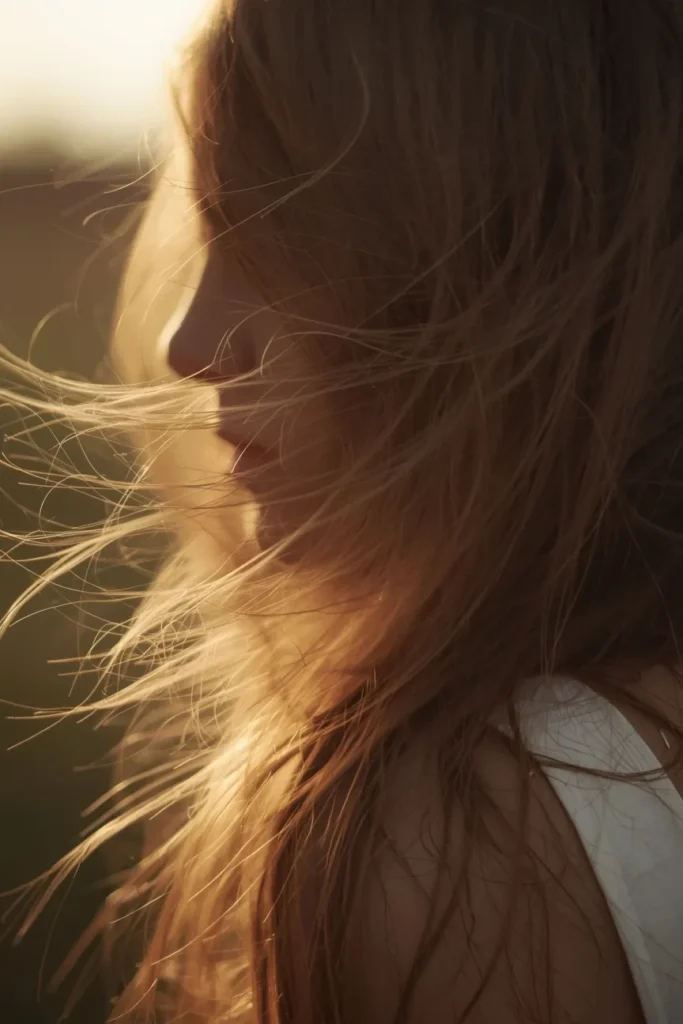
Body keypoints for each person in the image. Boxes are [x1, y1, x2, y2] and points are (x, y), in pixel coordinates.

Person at [2, 0, 683, 1021]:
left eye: (277, 242)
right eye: (208, 237)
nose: (189, 345)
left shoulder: (459, 836)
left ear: (486, 261)